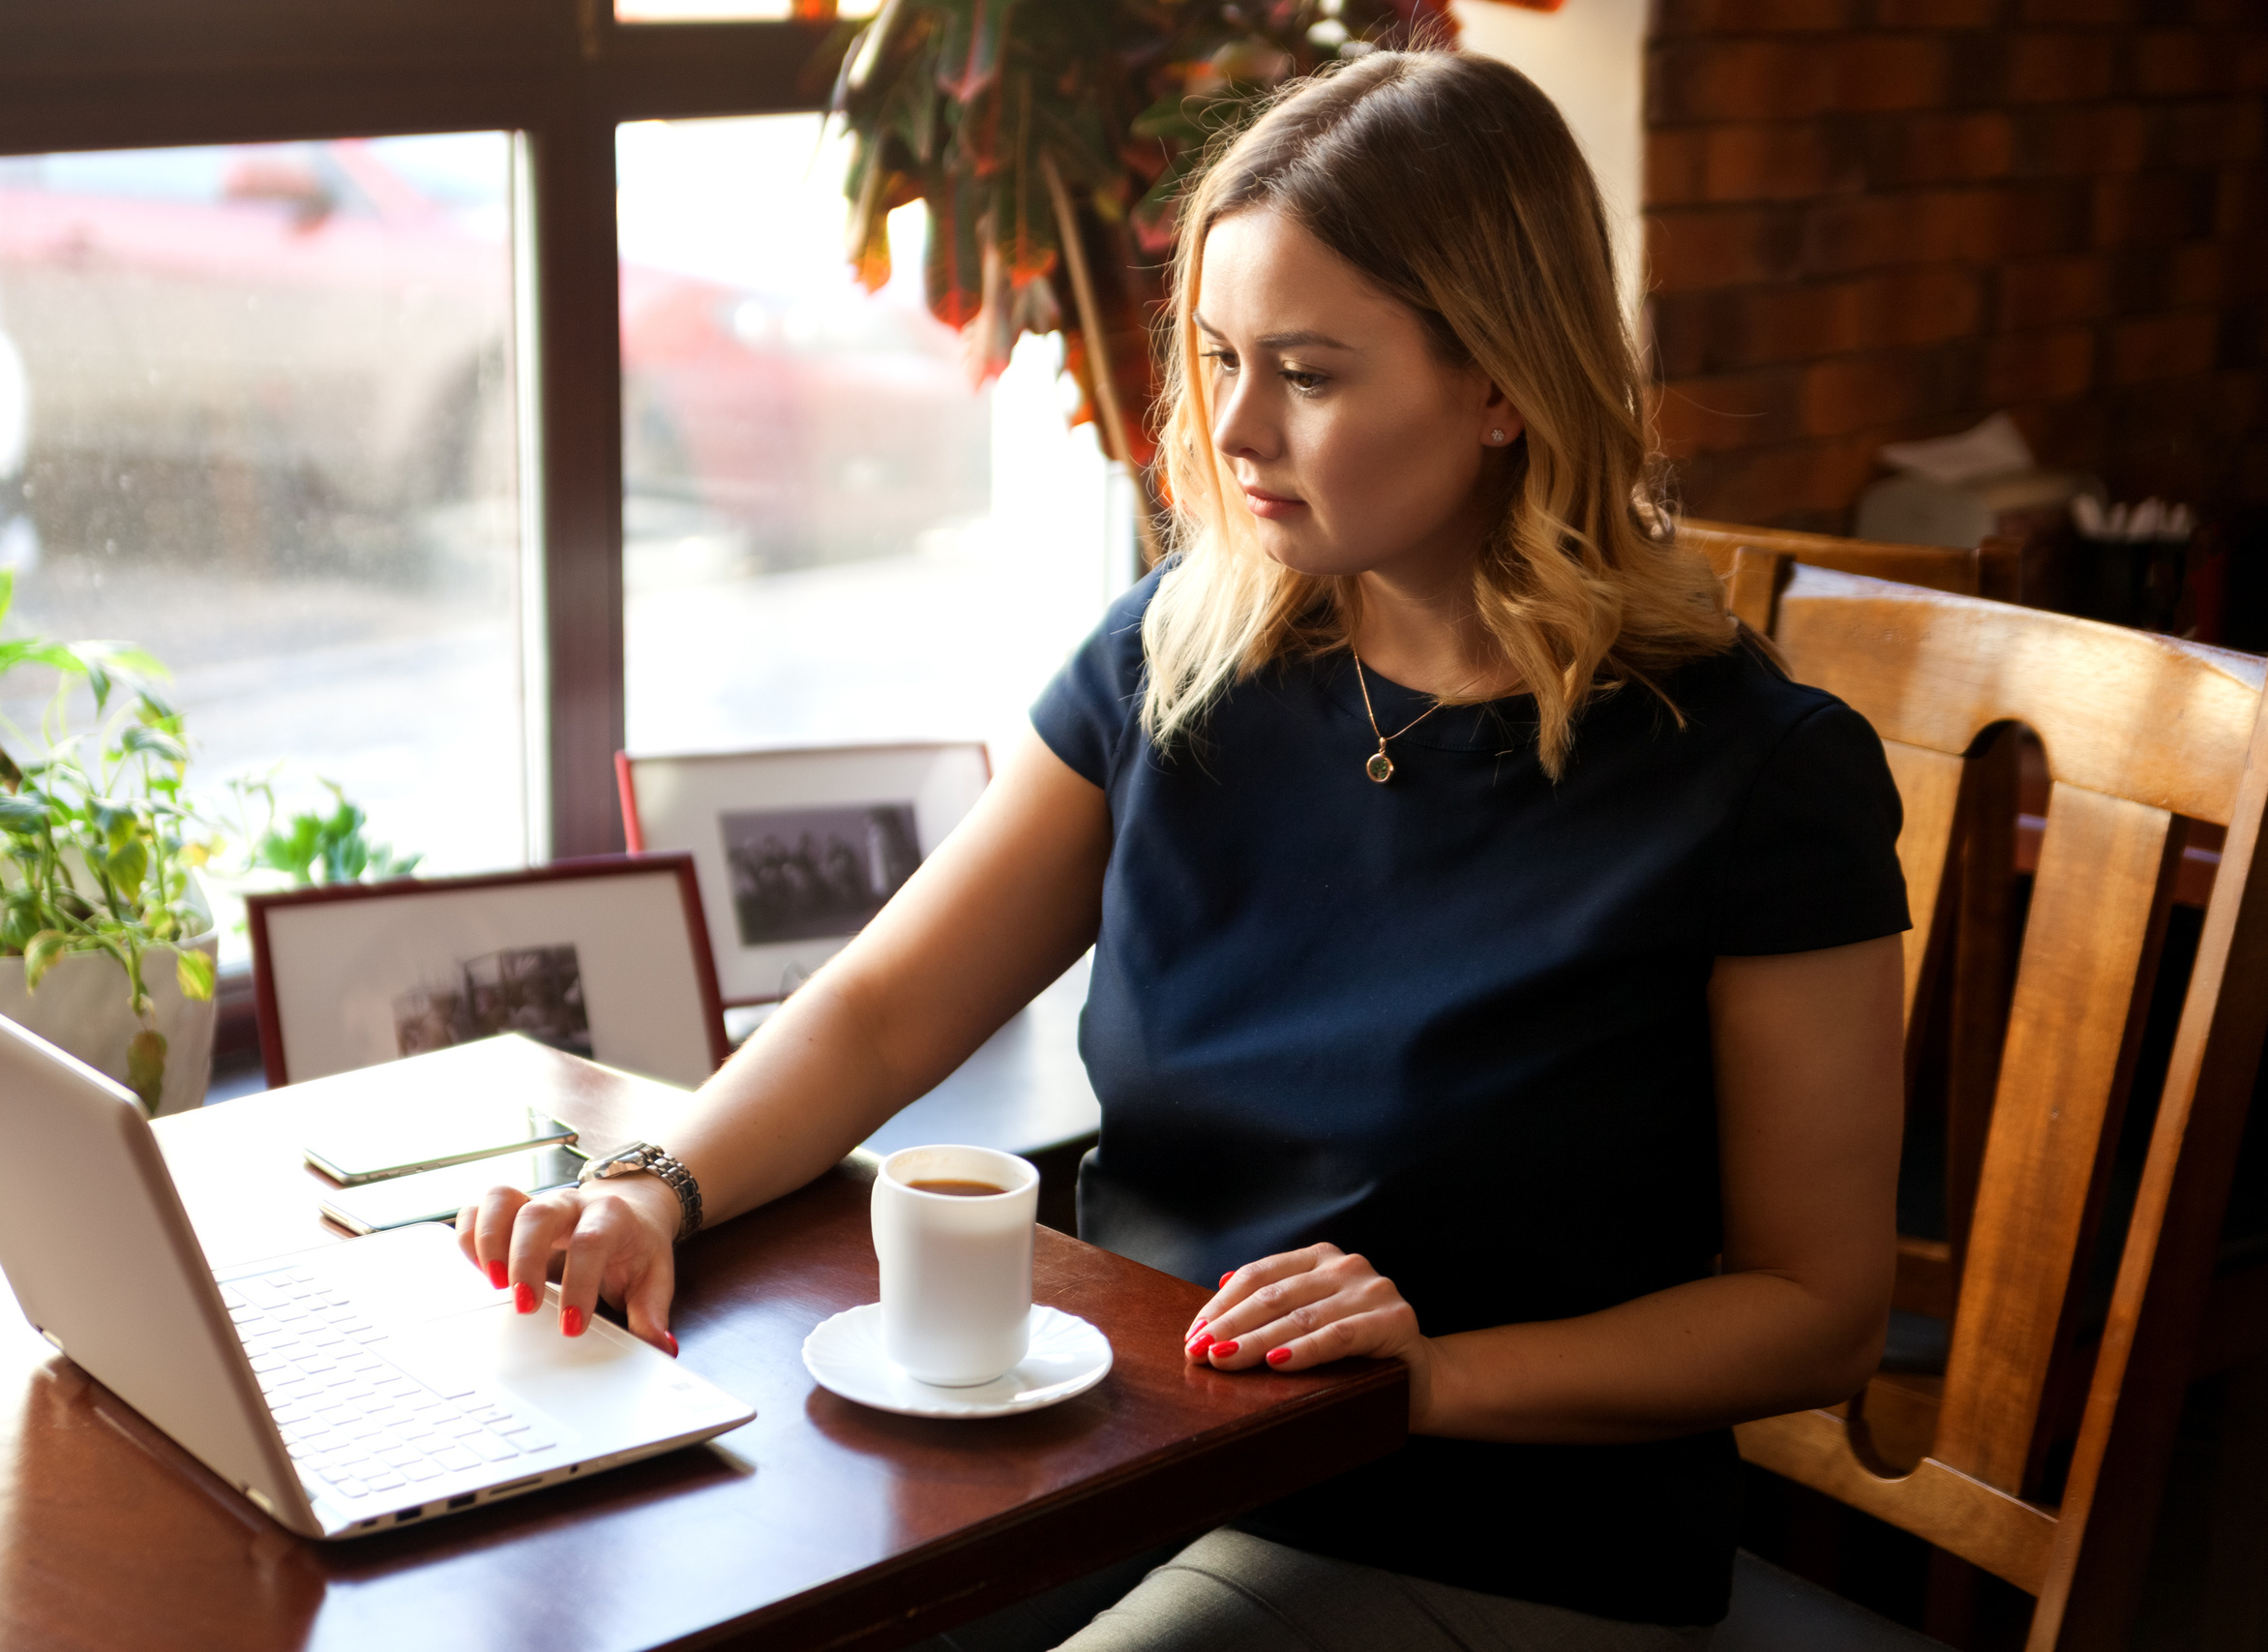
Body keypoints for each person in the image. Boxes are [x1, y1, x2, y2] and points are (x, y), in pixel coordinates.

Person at [460, 48, 1907, 1651]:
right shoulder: (1181, 657)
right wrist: (656, 1189)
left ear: (1501, 386)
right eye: (1216, 354)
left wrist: (1438, 1376)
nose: (1228, 427)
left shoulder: (1762, 777)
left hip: (1485, 1522)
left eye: (1308, 372)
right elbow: (882, 1006)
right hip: (1128, 1449)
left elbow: (1815, 1311)